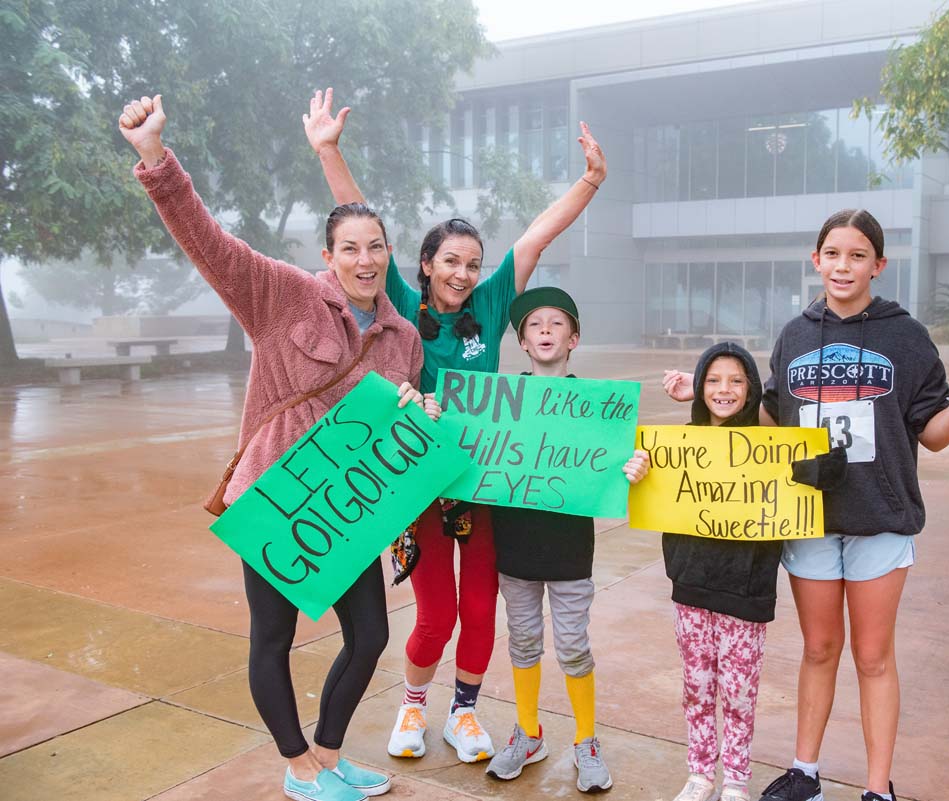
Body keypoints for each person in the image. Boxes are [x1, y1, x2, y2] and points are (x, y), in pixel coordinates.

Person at [119, 94, 442, 801]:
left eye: (376, 247)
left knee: (369, 638)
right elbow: (208, 241)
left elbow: (404, 434)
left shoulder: (405, 339)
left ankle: (327, 754)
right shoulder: (282, 295)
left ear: (389, 256)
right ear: (327, 256)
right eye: (350, 248)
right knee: (273, 638)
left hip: (345, 514)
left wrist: (420, 411)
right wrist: (155, 159)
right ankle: (295, 765)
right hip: (274, 498)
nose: (365, 259)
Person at [302, 88, 608, 764]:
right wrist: (330, 151)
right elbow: (363, 228)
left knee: (481, 611)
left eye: (472, 263)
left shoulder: (495, 300)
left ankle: (464, 713)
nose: (464, 273)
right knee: (436, 612)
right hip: (421, 485)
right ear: (425, 266)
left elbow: (536, 235)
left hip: (488, 480)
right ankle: (413, 707)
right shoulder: (403, 304)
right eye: (451, 261)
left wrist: (588, 181)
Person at [750, 209, 949, 801]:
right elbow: (768, 421)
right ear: (816, 259)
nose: (844, 266)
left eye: (857, 255)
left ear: (878, 266)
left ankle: (877, 788)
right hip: (810, 520)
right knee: (817, 649)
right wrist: (715, 395)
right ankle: (804, 773)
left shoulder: (905, 336)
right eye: (832, 253)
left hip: (881, 522)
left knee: (872, 656)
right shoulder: (794, 334)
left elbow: (932, 434)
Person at [482, 287, 650, 793]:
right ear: (523, 341)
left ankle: (585, 740)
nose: (547, 332)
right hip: (515, 548)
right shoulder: (499, 404)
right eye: (536, 325)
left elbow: (615, 465)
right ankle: (528, 733)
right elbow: (471, 454)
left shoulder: (595, 406)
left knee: (574, 646)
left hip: (571, 552)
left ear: (573, 339)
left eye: (557, 324)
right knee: (524, 641)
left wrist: (635, 466)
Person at [657, 342, 781, 801]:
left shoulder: (773, 449)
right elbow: (650, 492)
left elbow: (800, 495)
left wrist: (820, 471)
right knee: (697, 687)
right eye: (712, 380)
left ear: (751, 389)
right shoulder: (677, 446)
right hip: (690, 585)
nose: (723, 390)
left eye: (735, 380)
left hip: (747, 590)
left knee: (739, 693)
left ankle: (737, 781)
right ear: (699, 386)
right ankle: (700, 775)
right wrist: (637, 470)